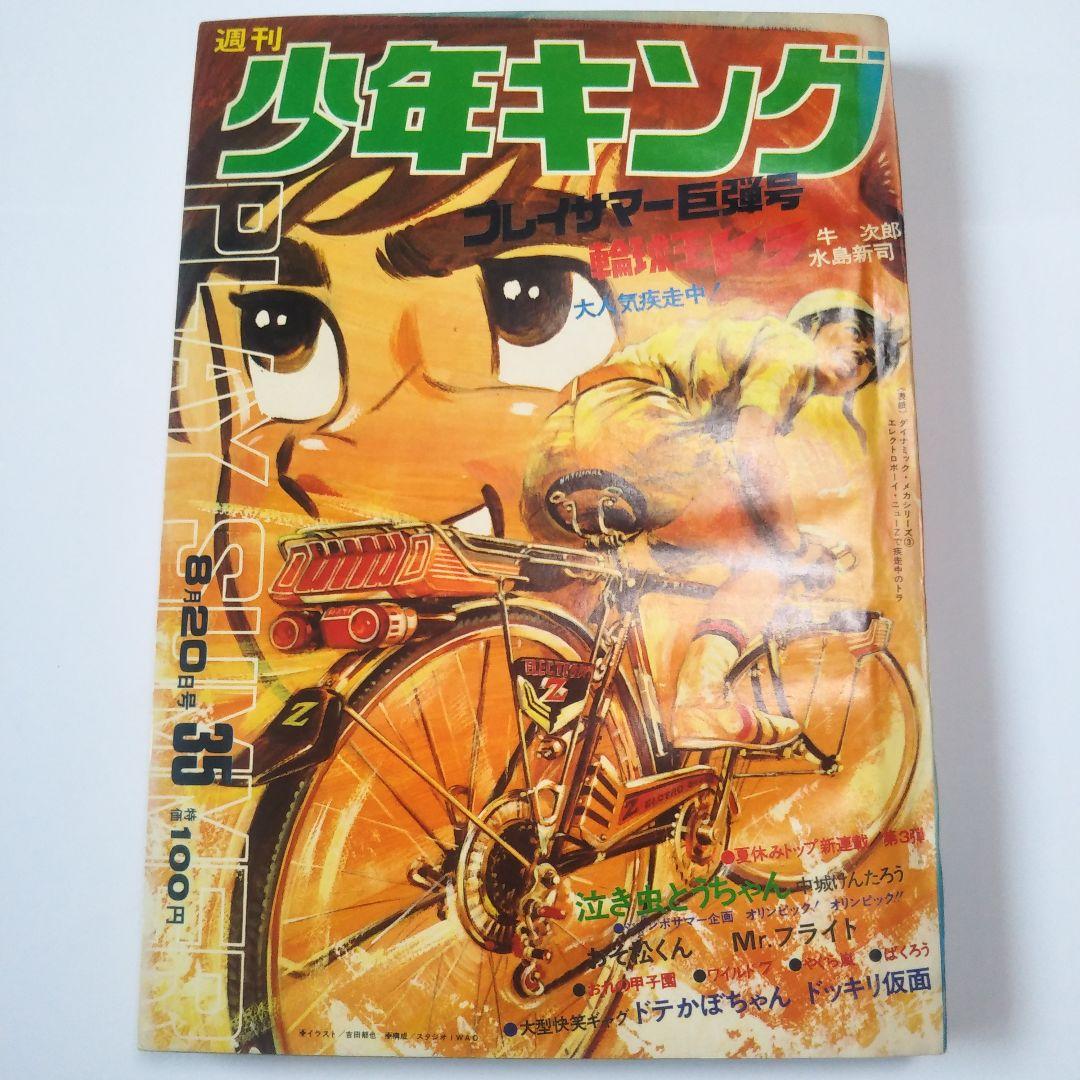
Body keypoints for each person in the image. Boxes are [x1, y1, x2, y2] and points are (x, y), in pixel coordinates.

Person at [522, 288, 903, 751]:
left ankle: (578, 744)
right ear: (814, 324)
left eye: (870, 361)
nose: (861, 353)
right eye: (856, 332)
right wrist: (793, 546)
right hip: (631, 422)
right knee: (765, 558)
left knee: (607, 585)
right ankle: (702, 701)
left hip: (556, 446)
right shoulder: (787, 348)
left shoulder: (752, 361)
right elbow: (753, 449)